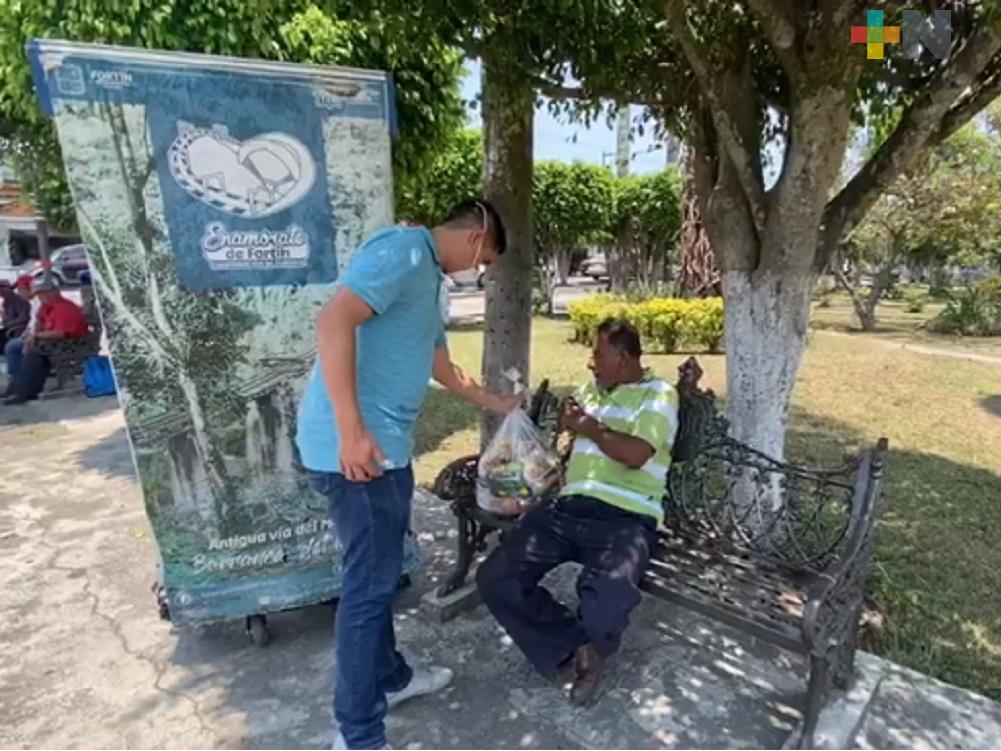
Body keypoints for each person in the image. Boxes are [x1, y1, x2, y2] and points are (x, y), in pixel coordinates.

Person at [296, 200, 521, 750]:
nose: (478, 271)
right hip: (359, 453)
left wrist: (497, 403)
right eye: (484, 262)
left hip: (383, 451)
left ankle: (392, 679)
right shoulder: (403, 252)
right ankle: (358, 734)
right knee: (367, 590)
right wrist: (352, 431)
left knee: (379, 574)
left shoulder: (428, 278)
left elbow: (442, 367)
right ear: (477, 237)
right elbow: (333, 320)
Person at [477, 318, 679, 707]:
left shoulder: (659, 394)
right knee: (496, 577)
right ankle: (573, 645)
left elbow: (636, 454)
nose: (590, 362)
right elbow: (567, 448)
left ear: (623, 358)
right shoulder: (590, 391)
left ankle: (592, 647)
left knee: (606, 606)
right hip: (568, 507)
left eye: (598, 354)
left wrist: (588, 426)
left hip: (625, 517)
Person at [3, 275, 88, 405]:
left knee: (34, 351)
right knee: (14, 347)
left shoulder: (63, 307)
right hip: (51, 341)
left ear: (55, 290)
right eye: (40, 293)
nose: (43, 296)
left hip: (69, 344)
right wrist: (34, 334)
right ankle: (16, 385)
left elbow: (60, 333)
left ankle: (26, 392)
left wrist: (36, 336)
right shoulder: (46, 306)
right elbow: (39, 320)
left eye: (46, 292)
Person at [0, 279, 31, 351]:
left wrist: (9, 324)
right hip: (8, 327)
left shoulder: (18, 300)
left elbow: (24, 318)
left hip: (18, 328)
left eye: (2, 287)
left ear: (8, 288)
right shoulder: (5, 302)